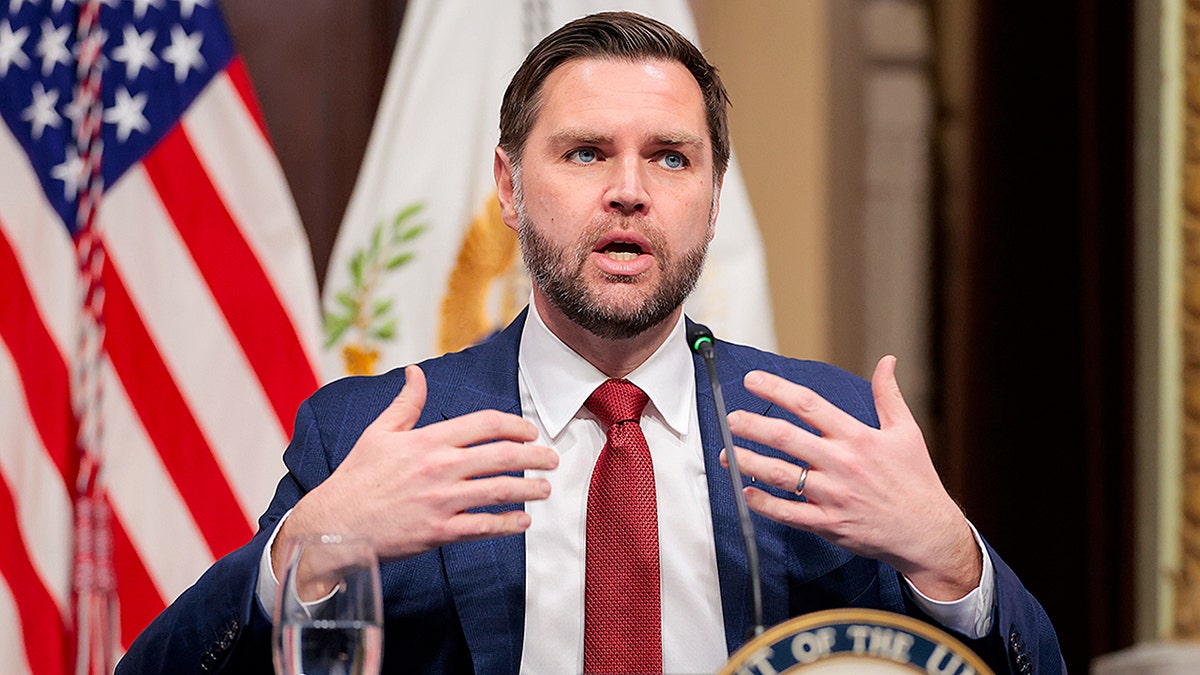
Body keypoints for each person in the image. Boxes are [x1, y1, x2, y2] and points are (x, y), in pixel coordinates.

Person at [118, 11, 1062, 674]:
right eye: (583, 152)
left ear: (714, 193)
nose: (628, 190)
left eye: (670, 156)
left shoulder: (827, 434)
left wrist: (952, 563)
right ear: (508, 185)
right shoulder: (368, 434)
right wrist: (303, 556)